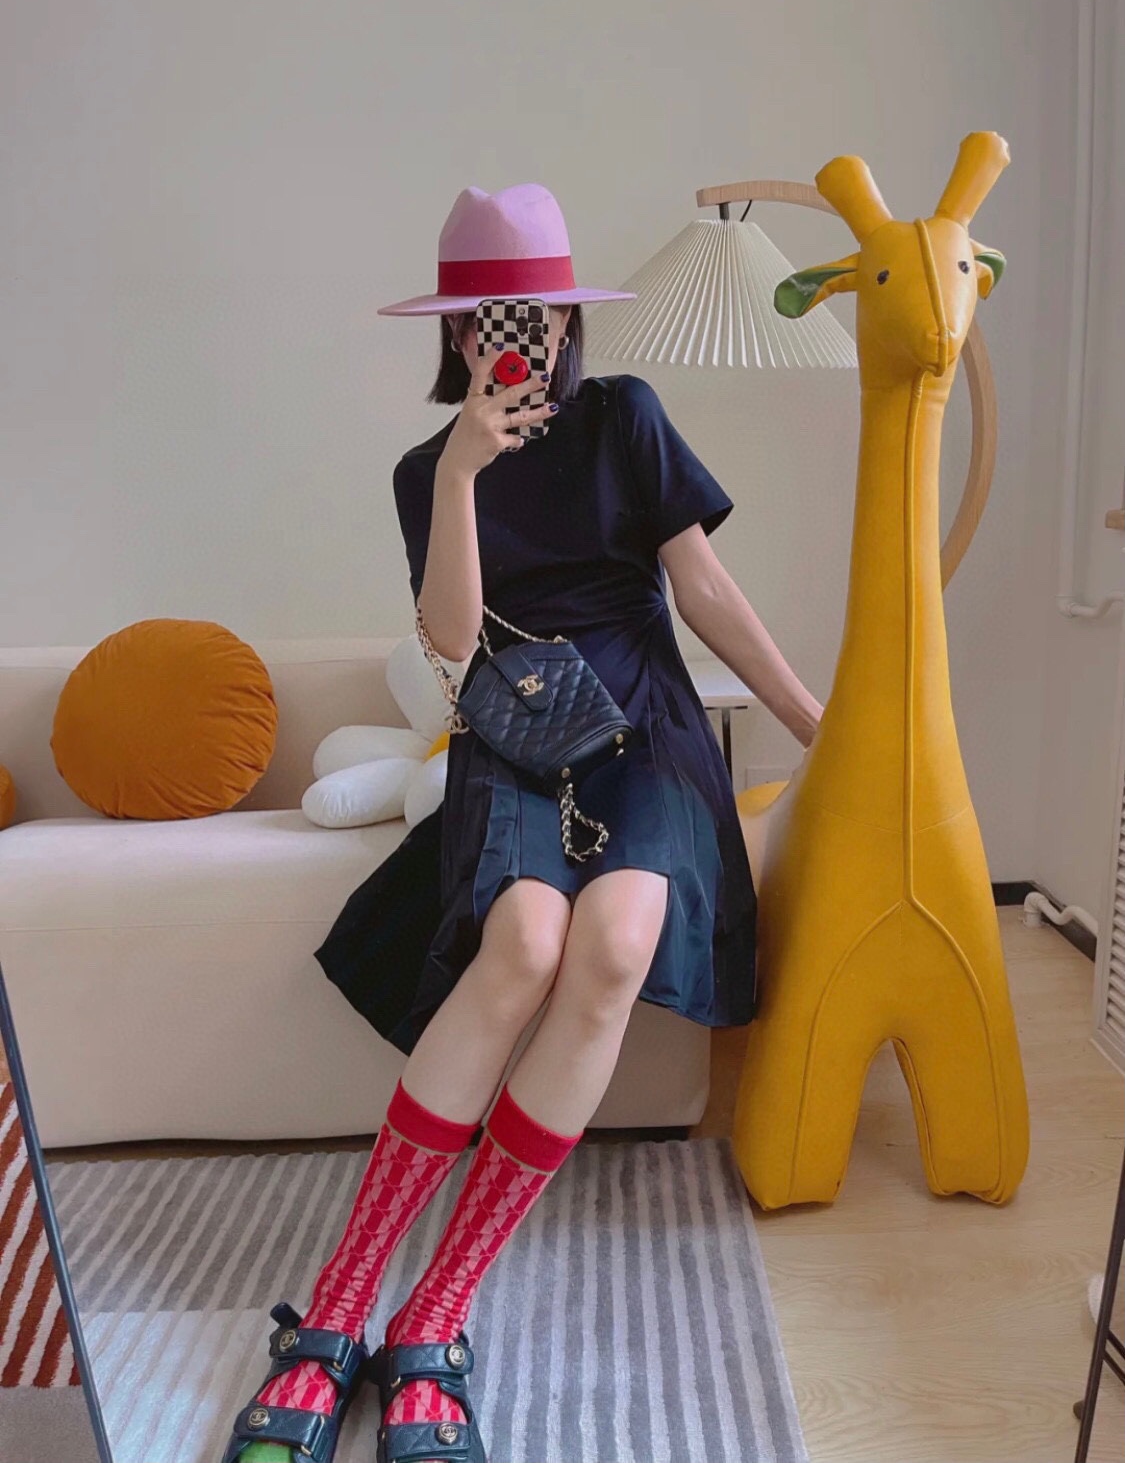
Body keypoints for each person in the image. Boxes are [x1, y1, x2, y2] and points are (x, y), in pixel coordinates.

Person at [220, 183, 823, 1463]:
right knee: (525, 945)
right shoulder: (425, 470)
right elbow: (451, 641)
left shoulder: (626, 416)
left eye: (540, 312)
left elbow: (704, 589)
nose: (523, 335)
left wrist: (815, 716)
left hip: (644, 728)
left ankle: (434, 1314)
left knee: (611, 946)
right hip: (514, 729)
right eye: (494, 315)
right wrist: (461, 469)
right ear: (457, 331)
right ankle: (337, 1307)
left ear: (565, 317)